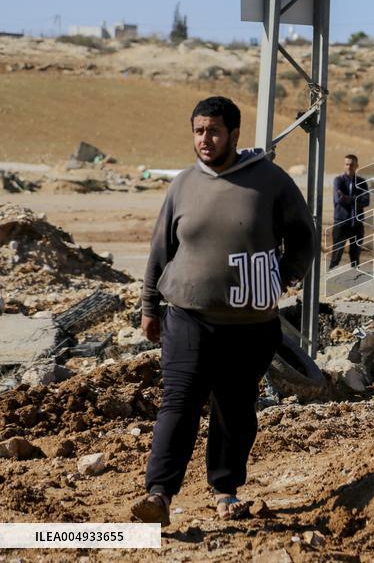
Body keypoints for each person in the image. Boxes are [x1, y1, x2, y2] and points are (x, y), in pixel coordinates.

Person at [131, 96, 315, 525]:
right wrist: (149, 306)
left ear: (234, 134)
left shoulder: (269, 181)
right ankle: (159, 494)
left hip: (251, 326)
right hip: (188, 318)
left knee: (235, 408)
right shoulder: (183, 185)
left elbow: (303, 237)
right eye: (198, 131)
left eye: (213, 131)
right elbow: (160, 250)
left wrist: (282, 278)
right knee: (179, 403)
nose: (205, 139)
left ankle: (225, 489)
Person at [329, 154, 370, 268]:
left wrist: (347, 198)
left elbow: (366, 201)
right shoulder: (338, 180)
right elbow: (339, 199)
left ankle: (355, 276)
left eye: (351, 164)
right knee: (336, 255)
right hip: (341, 223)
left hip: (356, 224)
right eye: (347, 164)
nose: (349, 167)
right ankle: (331, 274)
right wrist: (356, 199)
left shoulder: (362, 182)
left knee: (355, 256)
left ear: (357, 166)